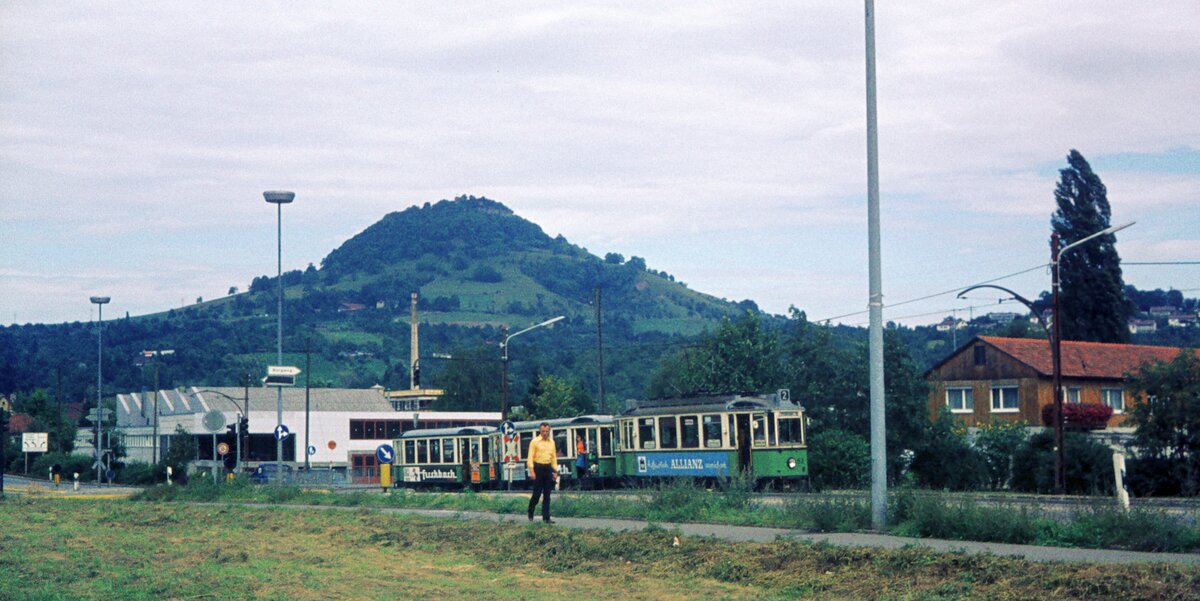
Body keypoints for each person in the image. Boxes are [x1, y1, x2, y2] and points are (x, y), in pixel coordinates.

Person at [527, 422, 559, 523]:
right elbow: (530, 457)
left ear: (549, 431)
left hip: (548, 468)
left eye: (546, 431)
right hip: (538, 468)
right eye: (543, 431)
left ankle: (546, 517)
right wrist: (532, 470)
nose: (545, 433)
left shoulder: (552, 442)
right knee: (536, 493)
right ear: (540, 431)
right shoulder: (534, 442)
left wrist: (555, 471)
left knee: (547, 494)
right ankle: (531, 510)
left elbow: (553, 457)